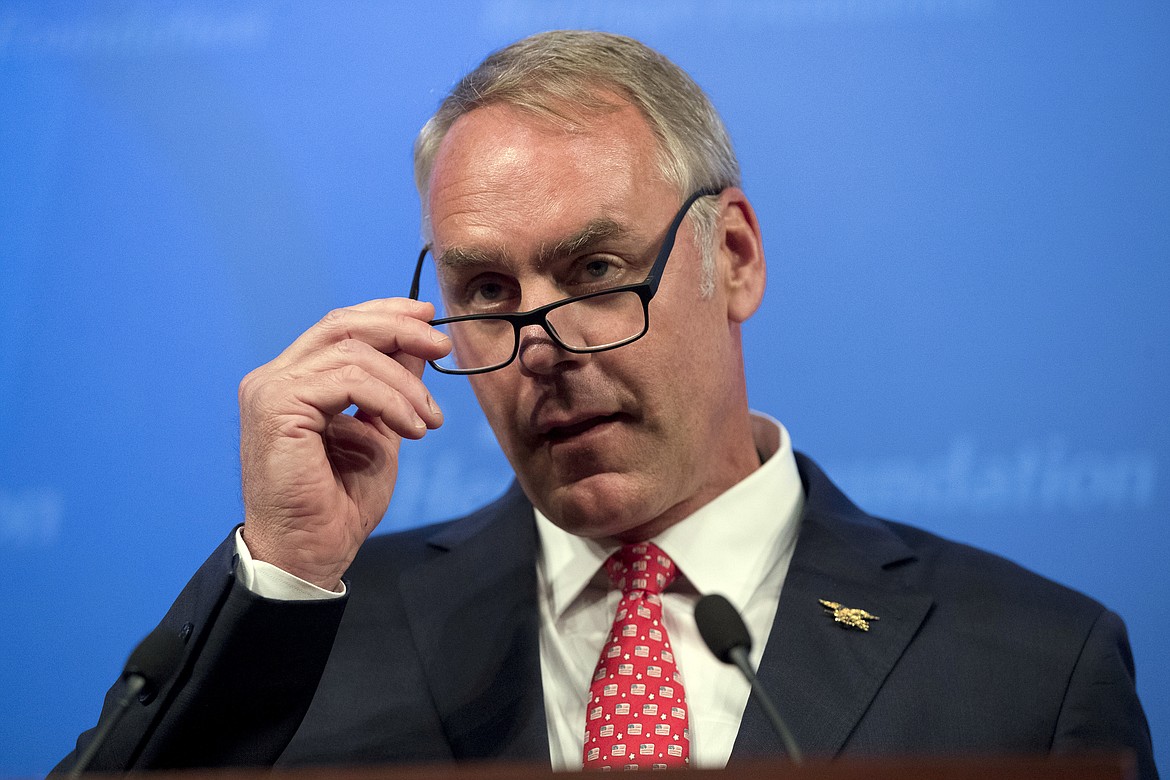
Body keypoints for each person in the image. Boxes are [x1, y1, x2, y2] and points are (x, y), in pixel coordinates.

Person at [62, 30, 1157, 777]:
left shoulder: (1030, 664)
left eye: (594, 270)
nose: (540, 344)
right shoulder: (313, 637)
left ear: (731, 257)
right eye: (486, 292)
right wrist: (284, 571)